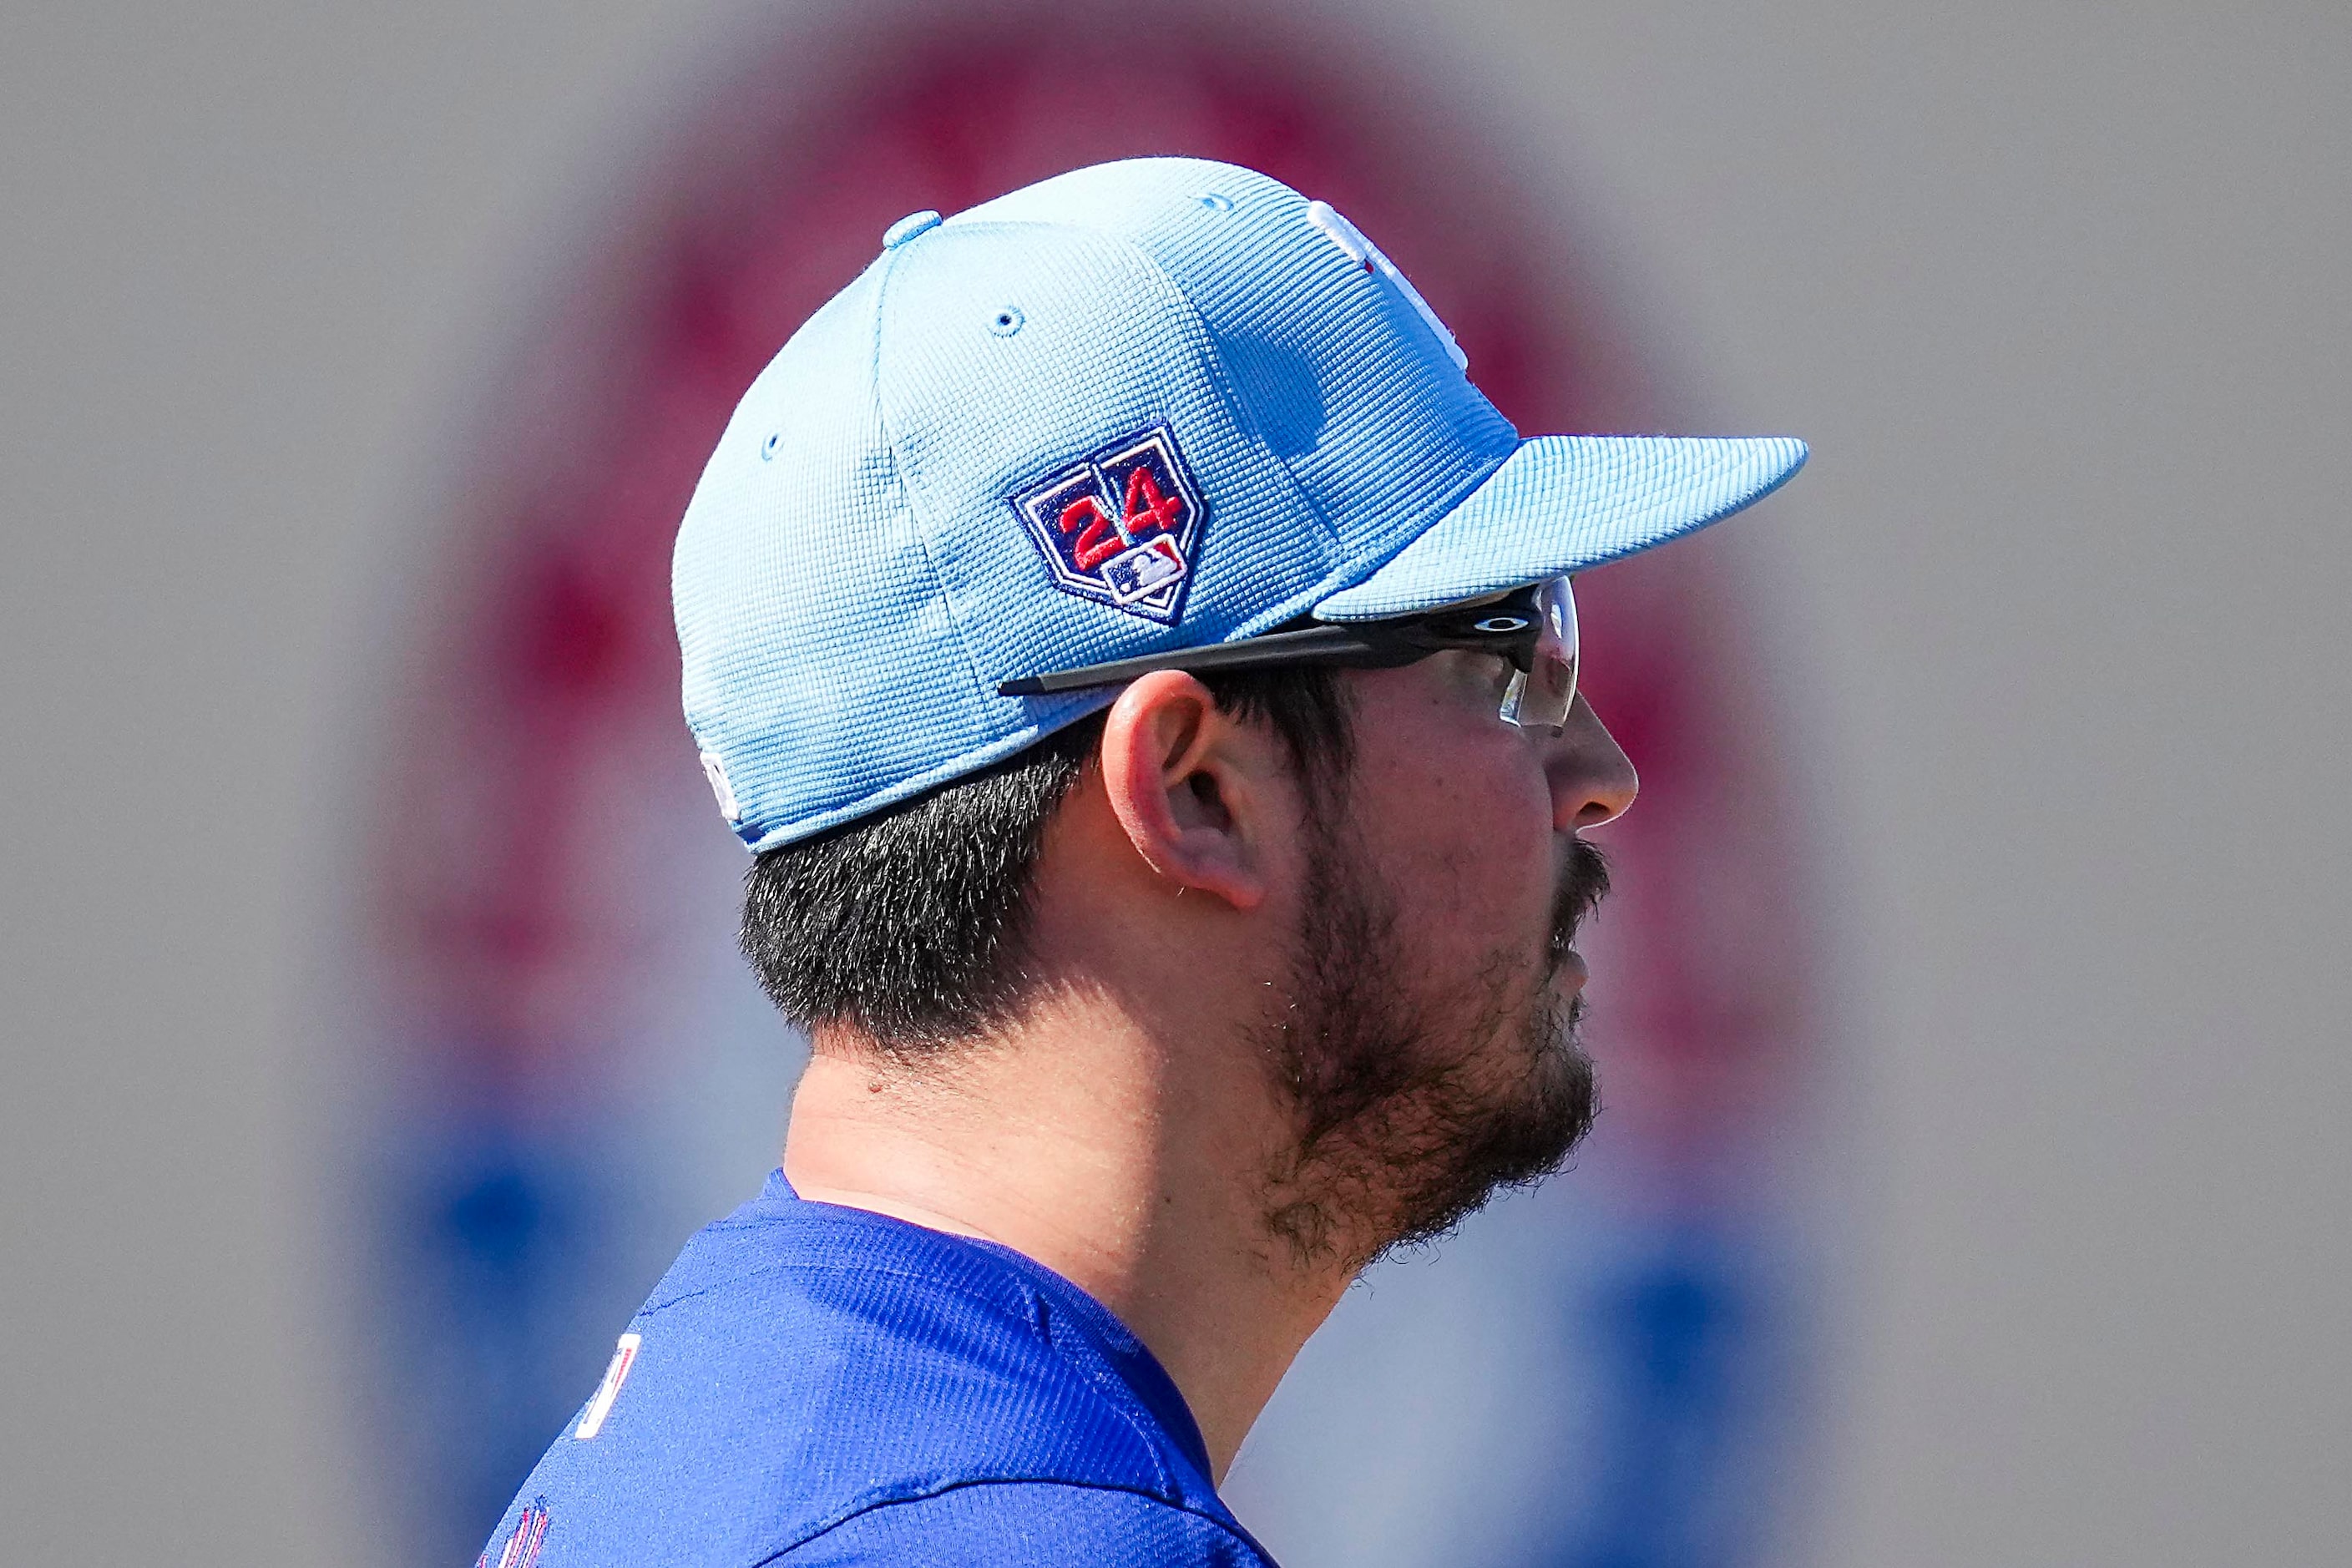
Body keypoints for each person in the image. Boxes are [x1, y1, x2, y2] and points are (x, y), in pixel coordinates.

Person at [476, 156, 1804, 1568]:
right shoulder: (1035, 1540)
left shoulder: (692, 1449)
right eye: (1508, 651)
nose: (1600, 776)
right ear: (1194, 787)